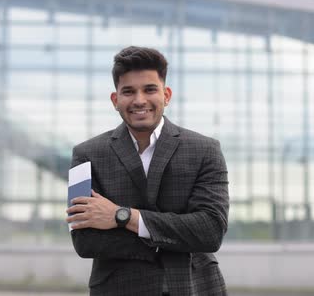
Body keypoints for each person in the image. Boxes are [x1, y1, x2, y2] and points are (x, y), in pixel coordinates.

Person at [65, 46, 229, 296]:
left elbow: (210, 231)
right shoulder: (85, 155)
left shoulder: (206, 150)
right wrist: (175, 235)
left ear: (166, 95)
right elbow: (85, 241)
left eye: (150, 89)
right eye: (128, 91)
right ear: (115, 100)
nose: (139, 100)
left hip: (193, 287)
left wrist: (122, 217)